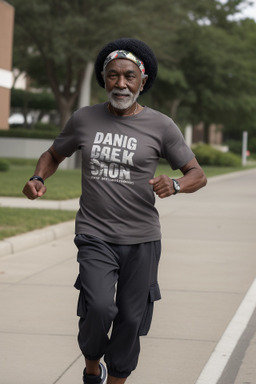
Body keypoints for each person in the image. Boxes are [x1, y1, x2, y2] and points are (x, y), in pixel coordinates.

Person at [22, 38, 207, 384]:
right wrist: (37, 177)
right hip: (95, 235)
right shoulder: (84, 118)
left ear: (143, 80)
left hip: (142, 239)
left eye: (129, 76)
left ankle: (117, 378)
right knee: (99, 307)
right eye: (112, 76)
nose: (120, 84)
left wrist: (177, 185)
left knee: (130, 319)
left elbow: (197, 174)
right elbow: (53, 154)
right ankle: (93, 365)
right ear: (103, 79)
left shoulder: (162, 126)